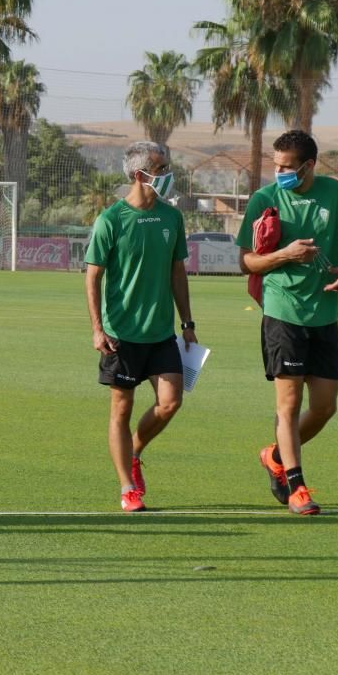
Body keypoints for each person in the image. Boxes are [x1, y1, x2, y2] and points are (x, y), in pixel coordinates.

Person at [237, 130, 338, 516]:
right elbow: (246, 261)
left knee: (326, 407)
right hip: (282, 311)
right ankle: (297, 487)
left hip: (326, 312)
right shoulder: (264, 199)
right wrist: (283, 255)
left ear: (308, 165)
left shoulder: (336, 193)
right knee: (289, 405)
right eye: (275, 165)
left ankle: (275, 455)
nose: (278, 172)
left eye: (285, 167)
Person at [85, 140, 197, 512]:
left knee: (171, 402)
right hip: (121, 336)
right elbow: (92, 277)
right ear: (138, 174)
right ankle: (127, 488)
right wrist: (98, 329)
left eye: (167, 167)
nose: (167, 175)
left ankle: (134, 451)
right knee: (121, 408)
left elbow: (177, 272)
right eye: (160, 169)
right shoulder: (111, 220)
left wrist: (188, 322)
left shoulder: (171, 218)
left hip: (162, 333)